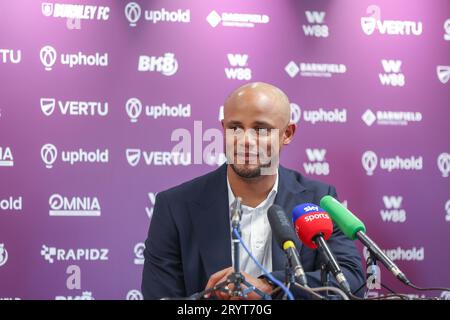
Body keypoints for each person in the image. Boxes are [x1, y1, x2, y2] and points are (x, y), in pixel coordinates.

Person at [141, 82, 365, 299]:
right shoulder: (175, 206)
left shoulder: (317, 199)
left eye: (261, 129)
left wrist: (270, 284)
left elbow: (351, 280)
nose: (245, 140)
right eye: (235, 128)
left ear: (287, 133)